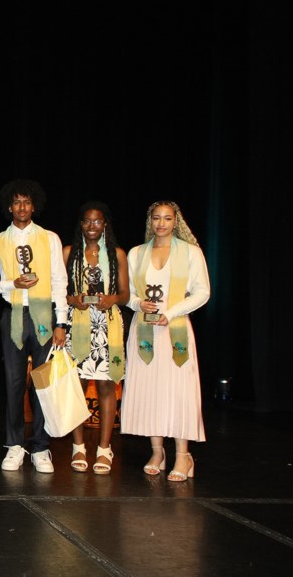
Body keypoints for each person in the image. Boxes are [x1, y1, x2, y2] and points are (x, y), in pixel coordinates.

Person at [121, 201, 210, 482]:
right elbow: (129, 293)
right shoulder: (137, 253)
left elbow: (202, 292)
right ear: (150, 221)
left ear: (176, 221)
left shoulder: (191, 253)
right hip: (144, 331)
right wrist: (138, 304)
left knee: (178, 391)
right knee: (150, 390)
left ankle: (183, 456)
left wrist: (170, 313)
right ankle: (157, 452)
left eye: (167, 218)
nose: (161, 223)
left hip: (176, 330)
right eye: (157, 218)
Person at [0, 178, 69, 473]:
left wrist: (62, 322)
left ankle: (41, 447)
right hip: (14, 312)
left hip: (45, 315)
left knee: (43, 381)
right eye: (16, 202)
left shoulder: (50, 238)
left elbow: (60, 281)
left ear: (34, 206)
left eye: (27, 202)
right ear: (9, 207)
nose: (22, 207)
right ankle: (14, 445)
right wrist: (13, 283)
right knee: (13, 381)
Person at [63, 202, 129, 475]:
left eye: (98, 221)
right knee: (76, 386)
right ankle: (78, 446)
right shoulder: (69, 253)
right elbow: (60, 291)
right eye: (87, 221)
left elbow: (125, 294)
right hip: (76, 323)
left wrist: (113, 298)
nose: (92, 226)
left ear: (105, 225)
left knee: (106, 386)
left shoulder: (117, 254)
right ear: (80, 224)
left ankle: (104, 448)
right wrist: (72, 299)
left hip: (107, 325)